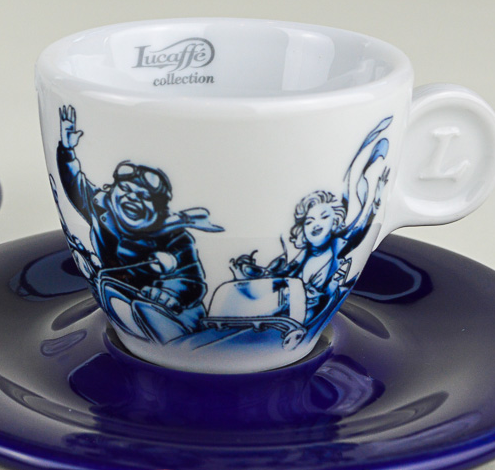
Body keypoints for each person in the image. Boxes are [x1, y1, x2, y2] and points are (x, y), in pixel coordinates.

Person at [54, 105, 223, 341]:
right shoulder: (101, 207)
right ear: (112, 189)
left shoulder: (174, 236)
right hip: (117, 295)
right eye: (125, 188)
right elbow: (74, 181)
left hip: (172, 314)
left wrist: (170, 294)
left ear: (158, 207)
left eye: (143, 196)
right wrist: (67, 150)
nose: (131, 198)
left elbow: (191, 280)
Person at [229, 118, 391, 329]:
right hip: (283, 316)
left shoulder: (339, 246)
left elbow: (362, 225)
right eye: (309, 220)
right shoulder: (299, 256)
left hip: (307, 318)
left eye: (324, 217)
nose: (316, 224)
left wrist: (377, 200)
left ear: (335, 222)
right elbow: (273, 278)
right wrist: (248, 273)